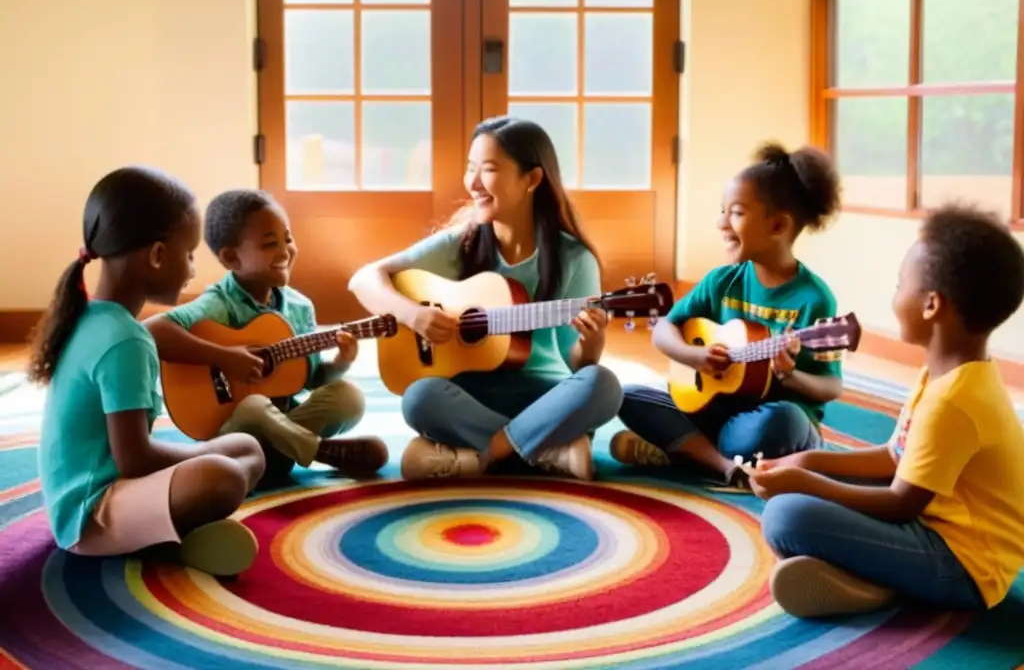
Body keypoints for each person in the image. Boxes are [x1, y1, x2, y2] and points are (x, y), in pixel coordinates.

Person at [753, 205, 1024, 618]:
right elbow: (893, 458)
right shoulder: (944, 376)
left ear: (932, 305)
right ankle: (870, 576)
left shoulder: (953, 401)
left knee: (786, 516)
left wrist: (804, 484)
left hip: (965, 567)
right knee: (809, 484)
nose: (894, 296)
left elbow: (900, 503)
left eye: (901, 286)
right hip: (935, 531)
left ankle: (880, 587)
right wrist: (806, 462)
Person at [348, 115, 622, 481]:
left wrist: (592, 343)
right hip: (471, 391)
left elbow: (578, 367)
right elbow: (363, 279)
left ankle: (485, 454)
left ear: (533, 179)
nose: (473, 183)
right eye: (470, 168)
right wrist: (412, 315)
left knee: (602, 385)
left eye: (488, 169)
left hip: (543, 395)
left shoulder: (574, 259)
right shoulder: (462, 242)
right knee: (419, 398)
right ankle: (547, 450)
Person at [32, 166, 266, 577]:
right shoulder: (126, 339)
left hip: (80, 502)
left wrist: (202, 454)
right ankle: (167, 544)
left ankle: (171, 535)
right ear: (157, 255)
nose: (193, 269)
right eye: (189, 253)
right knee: (224, 474)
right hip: (91, 517)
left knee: (246, 446)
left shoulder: (91, 317)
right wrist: (198, 455)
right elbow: (134, 460)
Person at [610, 143, 844, 489]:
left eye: (735, 213)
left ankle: (684, 451)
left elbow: (831, 386)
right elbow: (664, 330)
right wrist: (694, 356)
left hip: (764, 422)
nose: (721, 224)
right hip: (712, 412)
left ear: (778, 225)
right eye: (723, 211)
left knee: (786, 422)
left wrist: (790, 376)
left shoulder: (815, 299)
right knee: (625, 395)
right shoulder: (721, 281)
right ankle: (722, 464)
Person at [146, 190, 388, 485]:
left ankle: (272, 456)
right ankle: (318, 451)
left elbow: (307, 379)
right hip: (234, 429)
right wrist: (225, 358)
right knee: (254, 406)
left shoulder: (300, 307)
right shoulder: (219, 303)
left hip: (279, 424)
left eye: (287, 239)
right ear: (232, 257)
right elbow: (153, 330)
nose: (285, 251)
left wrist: (340, 362)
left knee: (349, 397)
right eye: (270, 244)